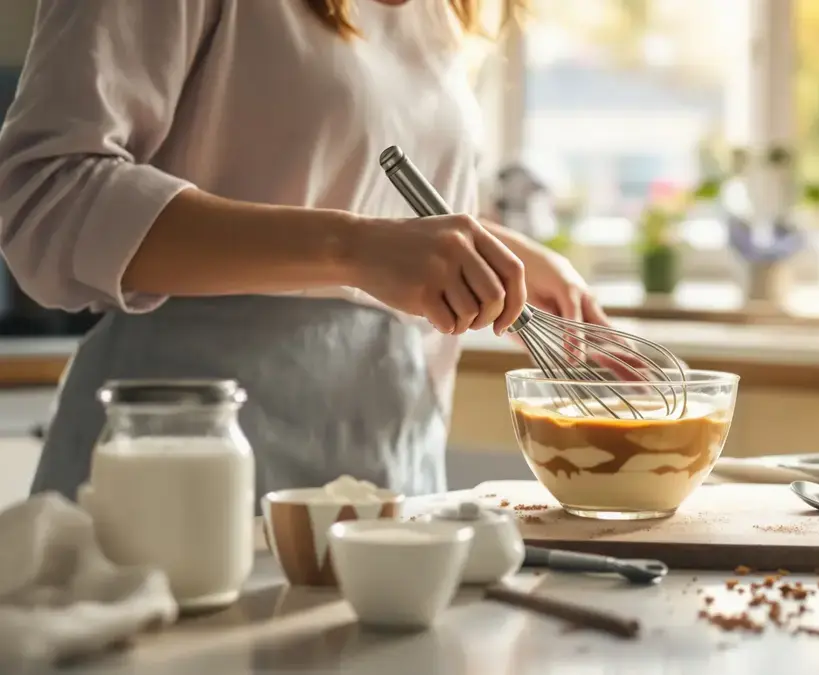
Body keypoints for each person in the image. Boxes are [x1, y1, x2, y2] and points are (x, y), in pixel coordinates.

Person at [0, 0, 609, 504]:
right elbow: (45, 195)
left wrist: (494, 247)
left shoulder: (443, 13)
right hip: (175, 475)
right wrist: (354, 248)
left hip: (384, 474)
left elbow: (327, 180)